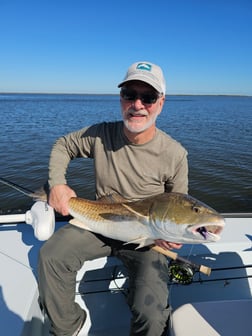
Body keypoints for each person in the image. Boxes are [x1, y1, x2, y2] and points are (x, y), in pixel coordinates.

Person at [38, 61, 188, 336]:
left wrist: (173, 235)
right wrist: (58, 184)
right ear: (121, 99)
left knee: (152, 314)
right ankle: (69, 325)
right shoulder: (101, 134)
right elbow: (63, 145)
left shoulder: (175, 155)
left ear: (161, 103)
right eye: (130, 94)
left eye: (148, 97)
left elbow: (179, 205)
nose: (138, 104)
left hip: (146, 240)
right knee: (51, 255)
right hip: (99, 222)